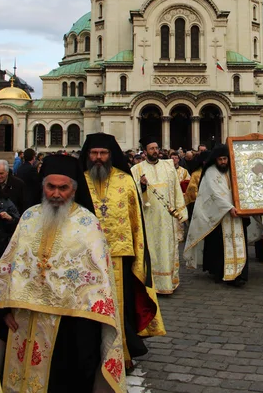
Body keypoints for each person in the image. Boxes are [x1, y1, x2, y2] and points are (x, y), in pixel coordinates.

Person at [0, 154, 126, 392]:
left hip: (66, 328)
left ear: (73, 189)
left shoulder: (87, 224)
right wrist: (3, 311)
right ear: (43, 186)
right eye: (51, 187)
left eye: (63, 188)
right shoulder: (29, 217)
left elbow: (97, 283)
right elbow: (10, 265)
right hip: (22, 322)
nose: (56, 194)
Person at [79, 133, 165, 368]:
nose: (98, 158)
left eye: (103, 153)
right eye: (94, 153)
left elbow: (136, 219)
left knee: (119, 306)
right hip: (85, 258)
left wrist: (139, 255)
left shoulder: (125, 181)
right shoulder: (79, 181)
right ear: (87, 155)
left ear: (111, 155)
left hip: (120, 256)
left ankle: (122, 354)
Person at [184, 145, 250, 287]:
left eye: (225, 159)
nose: (223, 162)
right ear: (215, 160)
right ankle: (221, 272)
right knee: (219, 247)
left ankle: (240, 273)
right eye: (220, 159)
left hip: (237, 214)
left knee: (239, 244)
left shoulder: (235, 171)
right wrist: (229, 207)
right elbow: (214, 194)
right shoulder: (210, 173)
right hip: (219, 216)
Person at [131, 135, 188, 295]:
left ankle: (168, 282)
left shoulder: (168, 166)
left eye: (157, 148)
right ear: (145, 151)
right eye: (152, 149)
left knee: (167, 249)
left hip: (167, 218)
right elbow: (132, 195)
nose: (155, 151)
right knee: (151, 250)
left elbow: (176, 188)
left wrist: (181, 211)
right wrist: (140, 186)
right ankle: (151, 283)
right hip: (148, 218)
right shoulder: (136, 170)